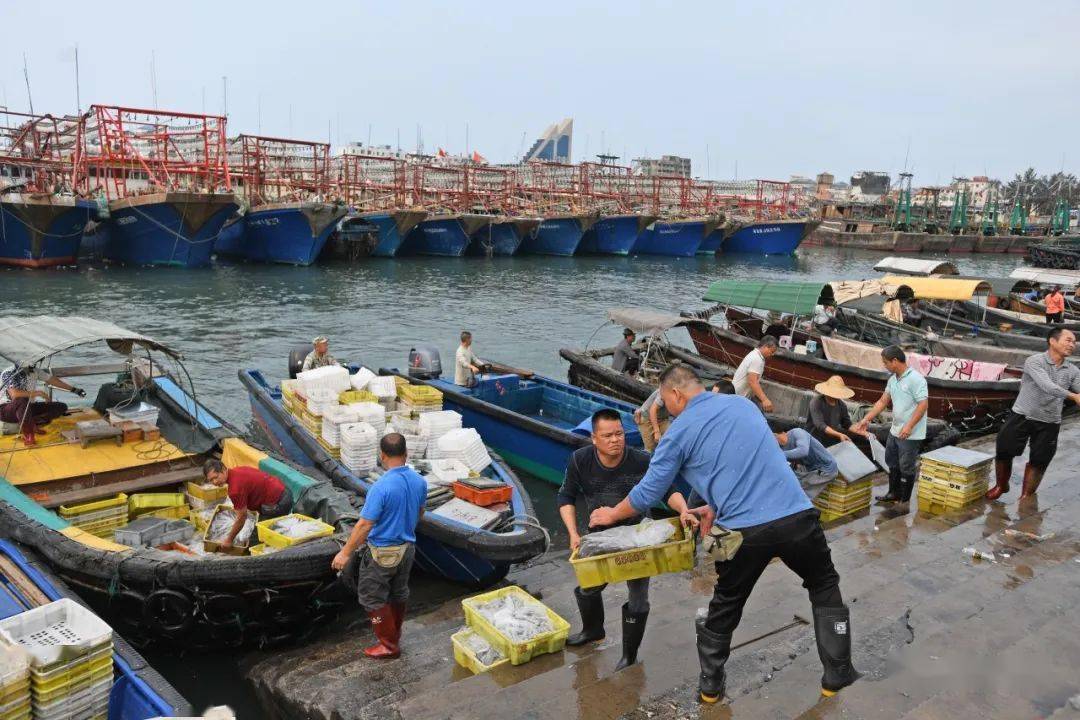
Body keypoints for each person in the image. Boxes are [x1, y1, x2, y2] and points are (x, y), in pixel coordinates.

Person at [590, 365, 857, 702]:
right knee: (824, 585)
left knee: (726, 603)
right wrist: (716, 506)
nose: (664, 407)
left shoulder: (677, 432)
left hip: (746, 533)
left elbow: (647, 493)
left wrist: (612, 513)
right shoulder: (745, 406)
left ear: (675, 394)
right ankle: (836, 675)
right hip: (798, 516)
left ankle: (711, 689)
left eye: (663, 399)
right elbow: (754, 460)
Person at [559, 409, 691, 670]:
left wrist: (684, 510)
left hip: (638, 536)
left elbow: (668, 490)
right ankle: (593, 631)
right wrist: (574, 533)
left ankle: (629, 655)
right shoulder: (579, 460)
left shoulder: (641, 460)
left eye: (619, 433)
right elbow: (566, 497)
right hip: (600, 536)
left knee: (638, 598)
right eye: (607, 436)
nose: (615, 440)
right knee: (588, 587)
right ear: (594, 439)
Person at [331, 433, 426, 659]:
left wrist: (345, 553)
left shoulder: (380, 487)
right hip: (408, 549)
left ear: (382, 455)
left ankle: (388, 644)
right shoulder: (420, 481)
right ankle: (394, 633)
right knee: (399, 592)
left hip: (383, 552)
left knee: (371, 599)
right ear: (406, 454)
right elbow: (420, 512)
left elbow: (364, 524)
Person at [986, 327, 1080, 500]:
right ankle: (1001, 485)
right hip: (1023, 414)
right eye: (1068, 340)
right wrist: (1073, 396)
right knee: (1004, 449)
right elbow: (1047, 386)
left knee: (1040, 459)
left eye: (1074, 342)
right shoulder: (1034, 361)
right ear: (1052, 341)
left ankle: (1026, 496)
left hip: (1050, 420)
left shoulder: (1073, 370)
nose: (1072, 345)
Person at [852, 345, 928, 505]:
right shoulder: (893, 379)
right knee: (891, 461)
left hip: (911, 433)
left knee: (906, 465)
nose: (884, 365)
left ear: (895, 361)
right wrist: (866, 419)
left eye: (885, 362)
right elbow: (882, 401)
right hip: (895, 429)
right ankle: (893, 492)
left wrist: (909, 426)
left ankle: (905, 499)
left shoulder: (916, 379)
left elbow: (923, 405)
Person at [203, 459, 293, 547]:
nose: (215, 482)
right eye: (211, 480)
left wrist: (229, 540)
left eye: (216, 477)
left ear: (223, 469)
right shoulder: (238, 470)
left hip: (278, 503)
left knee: (255, 541)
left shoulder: (234, 490)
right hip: (284, 490)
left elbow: (242, 518)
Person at [0, 364, 84, 446]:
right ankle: (29, 434)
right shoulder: (9, 372)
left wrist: (74, 390)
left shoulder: (34, 370)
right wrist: (38, 393)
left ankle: (32, 423)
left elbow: (52, 380)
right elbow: (15, 394)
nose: (34, 363)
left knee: (61, 407)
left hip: (28, 407)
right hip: (6, 410)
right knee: (22, 399)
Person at [805, 375, 869, 449]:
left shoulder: (842, 405)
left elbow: (847, 424)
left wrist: (858, 430)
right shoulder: (816, 402)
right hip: (811, 440)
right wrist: (839, 435)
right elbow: (820, 425)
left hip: (828, 441)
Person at [775, 429, 839, 500]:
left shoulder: (798, 432)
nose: (774, 439)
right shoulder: (778, 448)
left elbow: (803, 451)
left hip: (826, 469)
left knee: (797, 490)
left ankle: (803, 506)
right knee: (787, 483)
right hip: (809, 470)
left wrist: (779, 454)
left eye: (775, 436)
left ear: (783, 433)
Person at [732, 336, 777, 412]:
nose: (772, 354)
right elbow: (752, 381)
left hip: (741, 395)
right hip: (738, 397)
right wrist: (765, 400)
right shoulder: (757, 359)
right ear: (765, 347)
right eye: (771, 351)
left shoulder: (755, 354)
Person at [633, 388, 670, 452]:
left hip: (663, 418)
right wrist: (657, 431)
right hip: (647, 418)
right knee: (650, 448)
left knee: (669, 439)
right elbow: (652, 411)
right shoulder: (664, 392)